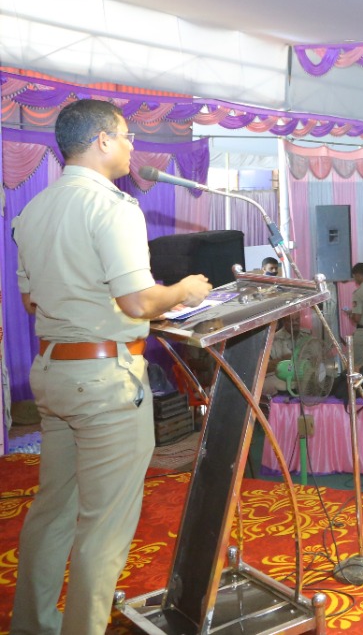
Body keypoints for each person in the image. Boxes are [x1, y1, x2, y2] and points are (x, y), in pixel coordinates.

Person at [12, 99, 212, 635]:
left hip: (54, 374)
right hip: (105, 382)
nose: (131, 148)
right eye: (126, 137)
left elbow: (33, 301)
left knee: (53, 510)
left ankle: (33, 625)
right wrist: (184, 289)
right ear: (102, 140)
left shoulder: (34, 210)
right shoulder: (114, 207)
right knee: (104, 526)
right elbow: (138, 301)